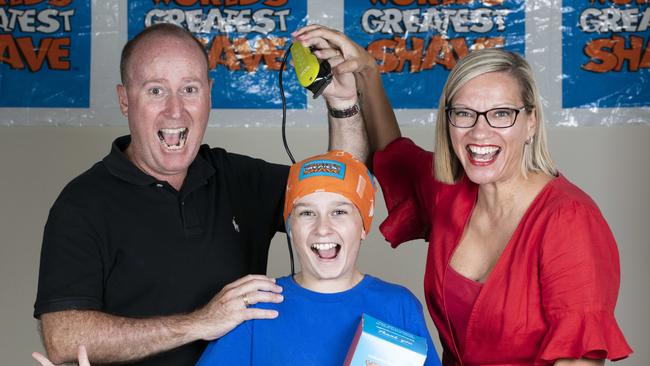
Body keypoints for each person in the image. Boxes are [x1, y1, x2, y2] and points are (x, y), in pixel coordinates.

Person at [293, 25, 633, 365]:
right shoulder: (449, 192)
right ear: (448, 121)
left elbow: (578, 360)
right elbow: (391, 156)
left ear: (530, 122)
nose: (479, 131)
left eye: (501, 114)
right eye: (464, 114)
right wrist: (367, 73)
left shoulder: (570, 220)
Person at [33, 23, 366, 365]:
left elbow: (343, 192)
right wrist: (200, 323)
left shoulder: (239, 179)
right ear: (124, 100)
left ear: (209, 93)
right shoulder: (82, 203)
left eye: (189, 89)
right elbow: (64, 336)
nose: (175, 110)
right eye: (155, 91)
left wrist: (343, 103)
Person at [196, 150, 441, 365]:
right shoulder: (256, 308)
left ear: (363, 226)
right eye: (307, 213)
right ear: (291, 228)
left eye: (339, 211)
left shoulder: (399, 307)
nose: (323, 228)